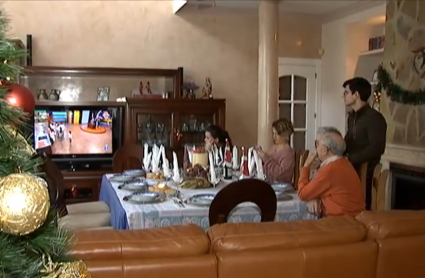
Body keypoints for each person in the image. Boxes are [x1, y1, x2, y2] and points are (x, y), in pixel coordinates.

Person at [298, 127, 365, 217]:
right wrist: (314, 197)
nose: (315, 148)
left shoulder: (330, 169)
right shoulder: (344, 163)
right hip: (352, 217)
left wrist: (306, 166)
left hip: (341, 220)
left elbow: (302, 194)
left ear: (324, 150)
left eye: (317, 145)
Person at [343, 77, 387, 210]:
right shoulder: (352, 116)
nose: (343, 96)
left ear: (356, 95)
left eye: (346, 92)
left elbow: (377, 148)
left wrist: (350, 158)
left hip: (367, 171)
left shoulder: (374, 118)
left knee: (364, 207)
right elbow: (349, 140)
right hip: (352, 169)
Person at [255, 118, 295, 184]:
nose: (274, 136)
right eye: (273, 133)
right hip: (269, 182)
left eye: (277, 134)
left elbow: (281, 174)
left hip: (281, 187)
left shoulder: (288, 152)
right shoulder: (273, 148)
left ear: (285, 135)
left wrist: (265, 157)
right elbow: (267, 166)